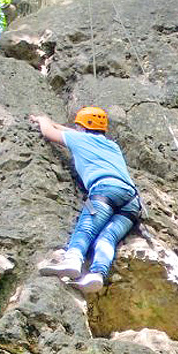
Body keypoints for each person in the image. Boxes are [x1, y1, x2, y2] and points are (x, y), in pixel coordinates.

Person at [30, 107, 141, 294]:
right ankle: (97, 274)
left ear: (82, 127)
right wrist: (57, 124)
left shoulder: (78, 139)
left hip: (104, 190)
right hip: (132, 200)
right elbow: (75, 133)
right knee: (108, 237)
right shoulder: (111, 146)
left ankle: (73, 260)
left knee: (87, 226)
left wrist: (42, 120)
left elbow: (48, 133)